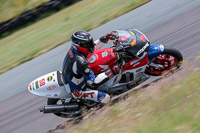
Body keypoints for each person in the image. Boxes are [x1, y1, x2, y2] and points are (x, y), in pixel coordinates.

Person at [62, 30, 121, 104]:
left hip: (75, 76)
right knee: (106, 98)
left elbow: (91, 48)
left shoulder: (75, 49)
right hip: (78, 90)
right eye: (88, 44)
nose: (91, 44)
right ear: (80, 46)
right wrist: (112, 72)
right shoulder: (80, 62)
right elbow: (93, 82)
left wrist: (104, 39)